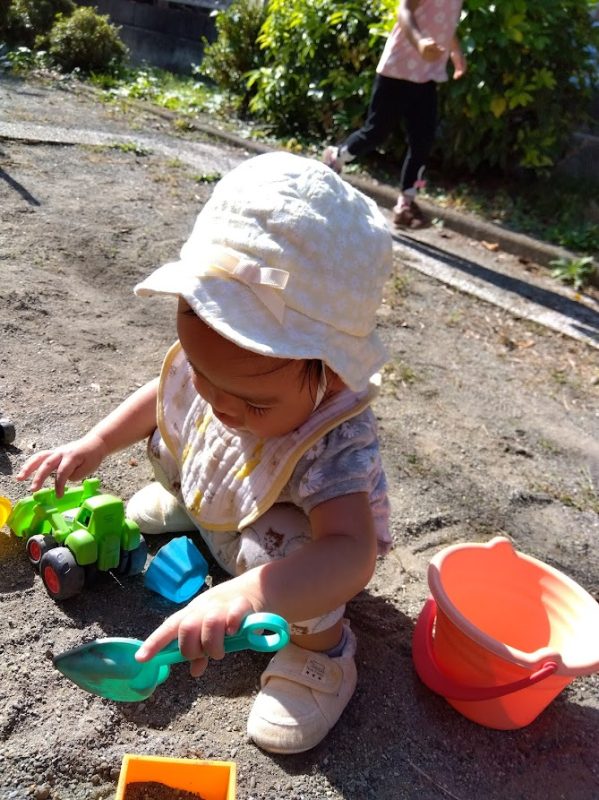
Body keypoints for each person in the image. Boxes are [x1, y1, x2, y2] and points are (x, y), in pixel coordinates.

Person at [17, 152, 393, 755]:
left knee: (294, 551)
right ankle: (200, 506)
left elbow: (351, 554)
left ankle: (320, 653)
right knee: (176, 433)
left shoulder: (333, 435)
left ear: (332, 375)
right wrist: (97, 443)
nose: (219, 406)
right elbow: (161, 396)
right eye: (203, 374)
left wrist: (246, 595)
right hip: (227, 502)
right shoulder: (225, 363)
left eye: (254, 404)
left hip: (290, 554)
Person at [322, 0, 466, 229]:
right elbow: (404, 9)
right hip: (396, 70)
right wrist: (419, 42)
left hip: (426, 76)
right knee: (376, 132)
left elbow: (445, 23)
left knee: (422, 141)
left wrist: (455, 51)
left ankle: (405, 204)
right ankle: (336, 157)